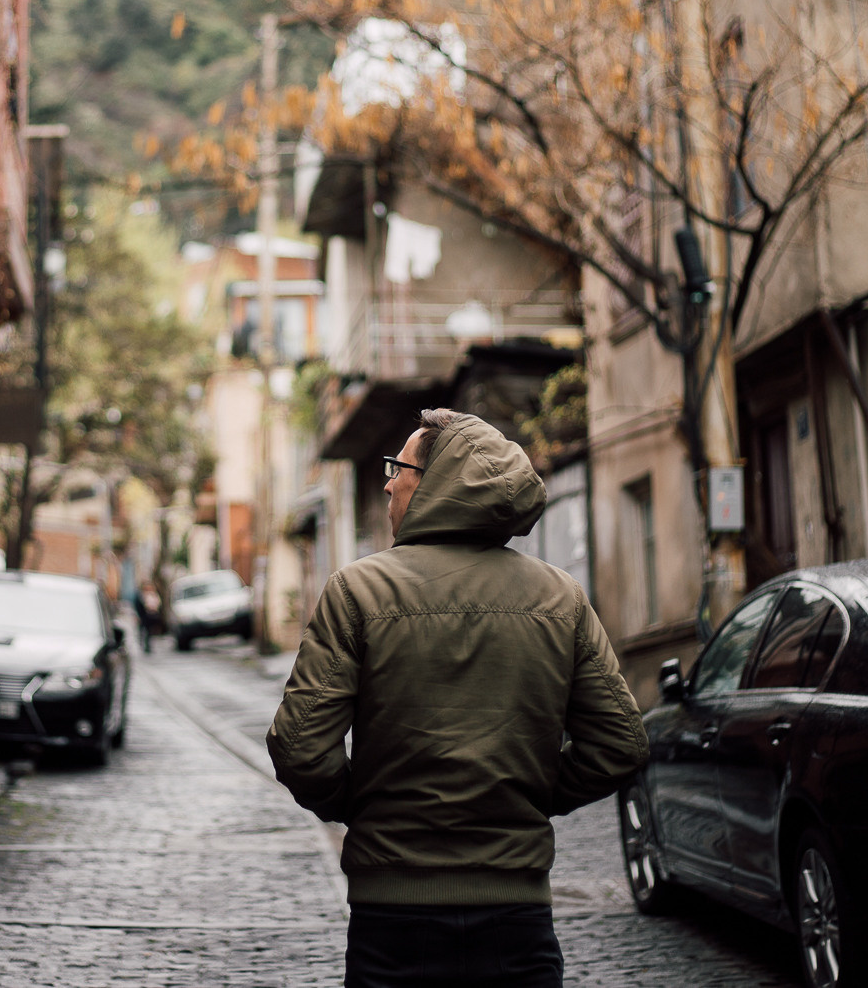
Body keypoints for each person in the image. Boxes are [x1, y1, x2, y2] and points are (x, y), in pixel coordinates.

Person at [267, 410, 647, 988]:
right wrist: (529, 795)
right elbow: (621, 742)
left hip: (392, 920)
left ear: (439, 481)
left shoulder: (358, 591)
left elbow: (299, 748)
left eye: (400, 468)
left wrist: (367, 807)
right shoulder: (559, 596)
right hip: (517, 919)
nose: (390, 481)